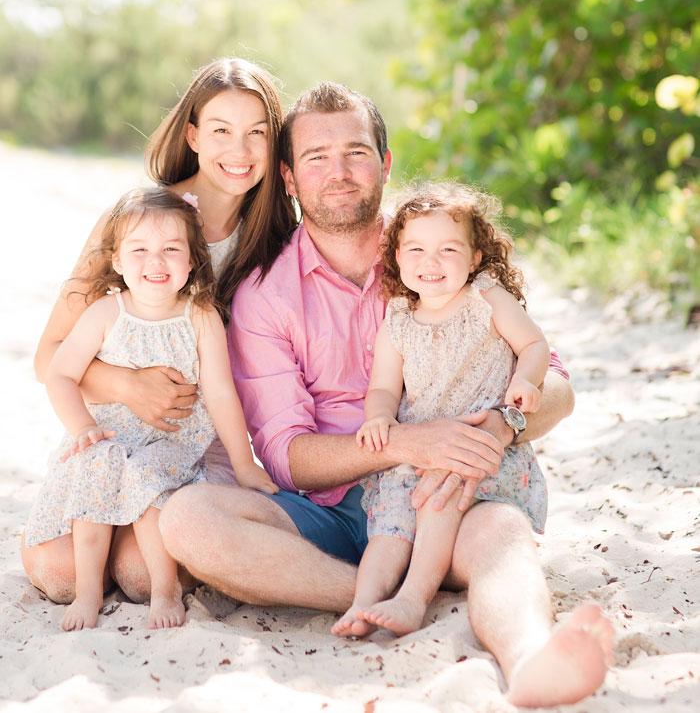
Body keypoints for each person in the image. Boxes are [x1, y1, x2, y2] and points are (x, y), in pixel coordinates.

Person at [159, 82, 613, 707]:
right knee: (189, 518)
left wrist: (502, 426)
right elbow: (288, 458)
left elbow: (554, 382)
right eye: (316, 158)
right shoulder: (265, 296)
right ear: (288, 177)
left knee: (502, 530)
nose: (338, 172)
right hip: (339, 514)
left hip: (448, 493)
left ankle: (531, 656)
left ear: (386, 162)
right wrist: (404, 441)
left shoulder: (436, 250)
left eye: (356, 152)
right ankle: (380, 593)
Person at [22, 57, 296, 603]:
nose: (238, 152)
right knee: (60, 573)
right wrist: (128, 385)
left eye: (257, 134)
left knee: (142, 575)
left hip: (200, 440)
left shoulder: (277, 237)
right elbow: (47, 356)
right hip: (116, 429)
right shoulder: (140, 221)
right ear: (192, 135)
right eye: (221, 131)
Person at [24, 186, 277, 632]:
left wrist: (244, 462)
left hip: (171, 441)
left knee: (147, 474)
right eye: (139, 250)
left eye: (170, 250)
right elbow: (60, 373)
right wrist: (82, 426)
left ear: (193, 260)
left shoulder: (200, 316)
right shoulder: (106, 312)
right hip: (110, 435)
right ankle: (86, 594)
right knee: (95, 468)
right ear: (118, 261)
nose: (155, 262)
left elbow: (220, 393)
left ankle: (164, 591)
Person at [334, 180, 550, 640]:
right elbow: (384, 388)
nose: (429, 263)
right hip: (417, 451)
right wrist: (379, 418)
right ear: (395, 257)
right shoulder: (397, 318)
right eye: (415, 249)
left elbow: (534, 344)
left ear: (474, 258)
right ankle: (362, 603)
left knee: (439, 497)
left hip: (475, 449)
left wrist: (525, 381)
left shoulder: (486, 298)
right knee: (389, 524)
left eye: (448, 249)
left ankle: (413, 598)